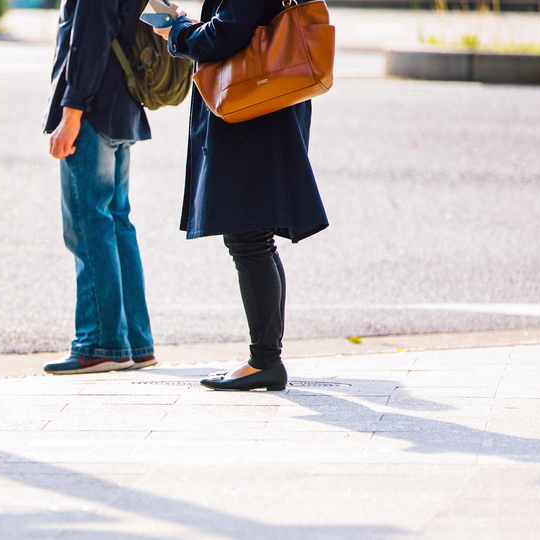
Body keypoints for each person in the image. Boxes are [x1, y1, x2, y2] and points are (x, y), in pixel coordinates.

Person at [156, 0, 329, 391]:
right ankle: (266, 358)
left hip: (253, 108)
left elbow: (227, 34)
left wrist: (177, 32)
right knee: (255, 237)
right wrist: (194, 27)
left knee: (248, 236)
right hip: (265, 100)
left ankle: (265, 361)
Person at [42, 0, 156, 375]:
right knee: (117, 224)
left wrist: (71, 112)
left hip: (92, 111)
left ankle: (100, 344)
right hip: (123, 107)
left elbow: (89, 38)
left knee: (89, 225)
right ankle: (135, 343)